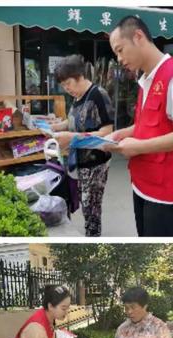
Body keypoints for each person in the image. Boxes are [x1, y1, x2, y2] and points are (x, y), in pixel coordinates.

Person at [105, 16, 173, 236]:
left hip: (165, 196)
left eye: (120, 50)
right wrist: (122, 133)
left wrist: (138, 147)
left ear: (138, 36)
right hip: (141, 185)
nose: (119, 58)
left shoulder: (170, 77)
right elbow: (147, 124)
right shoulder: (145, 80)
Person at [52, 55, 114, 237]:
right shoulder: (77, 97)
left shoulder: (98, 95)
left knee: (91, 209)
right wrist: (54, 126)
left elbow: (107, 132)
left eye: (68, 83)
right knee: (84, 205)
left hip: (96, 164)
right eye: (63, 86)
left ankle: (93, 238)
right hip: (79, 163)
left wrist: (72, 137)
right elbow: (72, 121)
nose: (67, 88)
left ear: (80, 76)